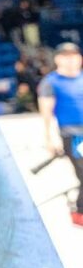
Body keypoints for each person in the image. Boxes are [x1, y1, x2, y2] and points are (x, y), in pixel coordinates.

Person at [38, 42, 83, 225]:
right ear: (57, 59)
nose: (71, 59)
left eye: (74, 55)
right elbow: (46, 113)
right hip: (72, 135)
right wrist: (50, 138)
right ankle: (79, 210)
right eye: (66, 55)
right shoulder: (51, 82)